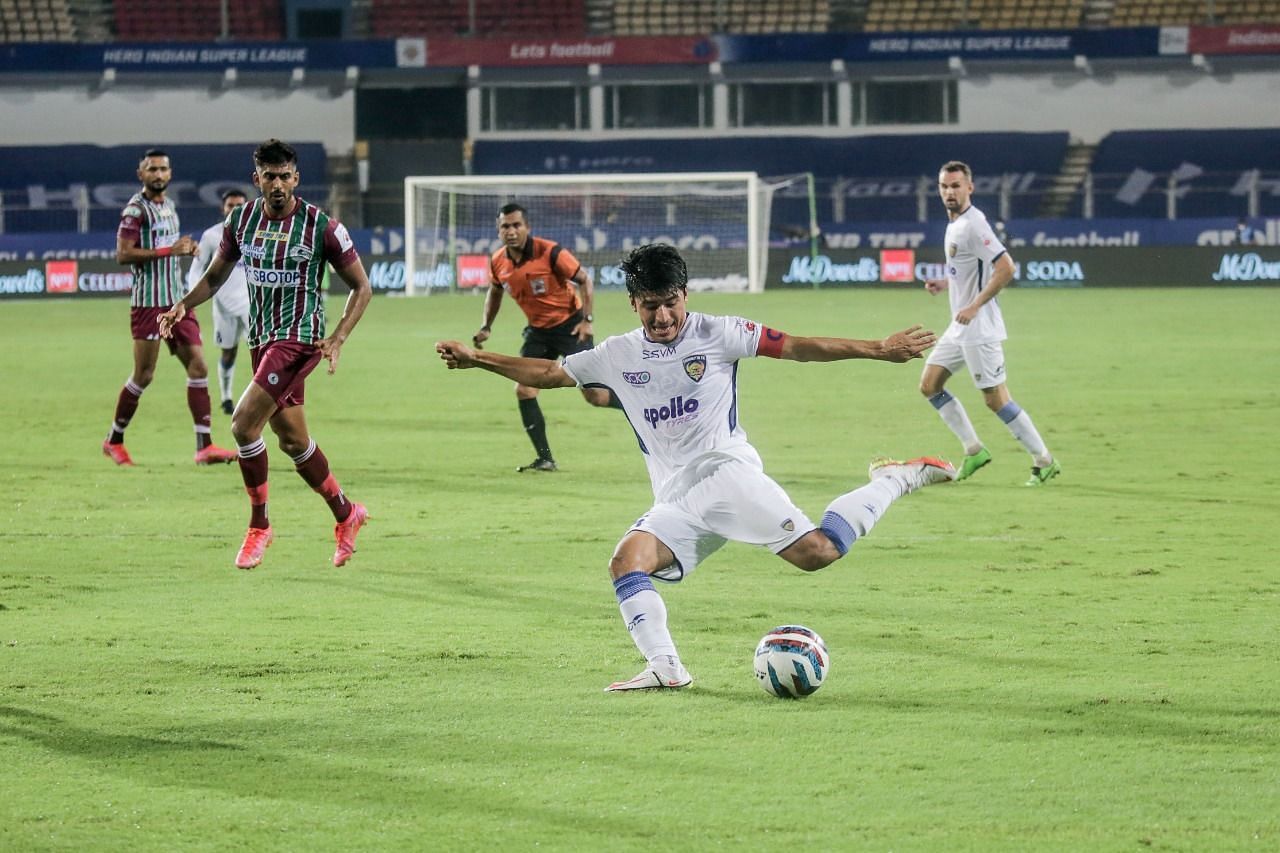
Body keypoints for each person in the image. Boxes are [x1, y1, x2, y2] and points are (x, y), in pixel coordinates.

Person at [437, 243, 956, 691]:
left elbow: (798, 347)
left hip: (724, 474)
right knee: (627, 562)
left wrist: (879, 349)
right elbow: (550, 372)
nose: (662, 318)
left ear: (685, 294)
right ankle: (666, 668)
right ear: (633, 304)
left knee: (818, 552)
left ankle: (892, 479)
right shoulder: (616, 354)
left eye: (670, 304)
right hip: (676, 496)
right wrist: (478, 360)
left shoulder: (720, 333)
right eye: (650, 307)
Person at [160, 139, 372, 570]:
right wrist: (184, 303)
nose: (277, 184)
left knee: (242, 426)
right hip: (262, 338)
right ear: (257, 179)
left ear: (296, 178)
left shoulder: (321, 227)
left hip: (298, 339)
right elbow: (216, 276)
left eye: (284, 176)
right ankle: (347, 514)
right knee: (293, 439)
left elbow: (361, 287)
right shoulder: (240, 221)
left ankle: (260, 525)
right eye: (268, 176)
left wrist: (338, 337)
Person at [921, 160, 1060, 486]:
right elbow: (968, 270)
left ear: (970, 187)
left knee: (996, 399)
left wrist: (973, 305)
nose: (949, 192)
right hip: (960, 327)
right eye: (944, 186)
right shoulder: (954, 224)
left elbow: (1006, 268)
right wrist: (946, 283)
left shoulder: (974, 224)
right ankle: (973, 450)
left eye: (956, 186)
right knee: (929, 385)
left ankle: (1044, 460)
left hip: (979, 328)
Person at [102, 148, 238, 467]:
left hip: (175, 300)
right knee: (144, 374)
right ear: (141, 175)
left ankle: (204, 447)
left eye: (163, 169)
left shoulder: (170, 206)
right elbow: (123, 254)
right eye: (152, 169)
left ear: (170, 174)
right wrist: (167, 250)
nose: (159, 175)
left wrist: (186, 249)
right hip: (149, 302)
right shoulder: (135, 211)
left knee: (199, 367)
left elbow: (171, 249)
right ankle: (113, 439)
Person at [472, 202, 614, 472]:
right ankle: (545, 458)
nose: (511, 231)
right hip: (538, 332)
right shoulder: (498, 261)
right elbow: (495, 292)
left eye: (516, 225)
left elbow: (585, 280)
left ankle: (640, 409)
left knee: (594, 395)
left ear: (527, 227)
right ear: (498, 230)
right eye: (505, 226)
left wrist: (587, 320)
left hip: (571, 326)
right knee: (524, 388)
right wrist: (486, 326)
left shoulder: (550, 252)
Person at [188, 189, 250, 415]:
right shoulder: (212, 236)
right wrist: (194, 298)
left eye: (239, 205)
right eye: (230, 205)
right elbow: (196, 270)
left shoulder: (255, 233)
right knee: (228, 353)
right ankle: (226, 397)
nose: (234, 209)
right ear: (222, 209)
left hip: (252, 306)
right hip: (223, 308)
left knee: (262, 354)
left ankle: (264, 400)